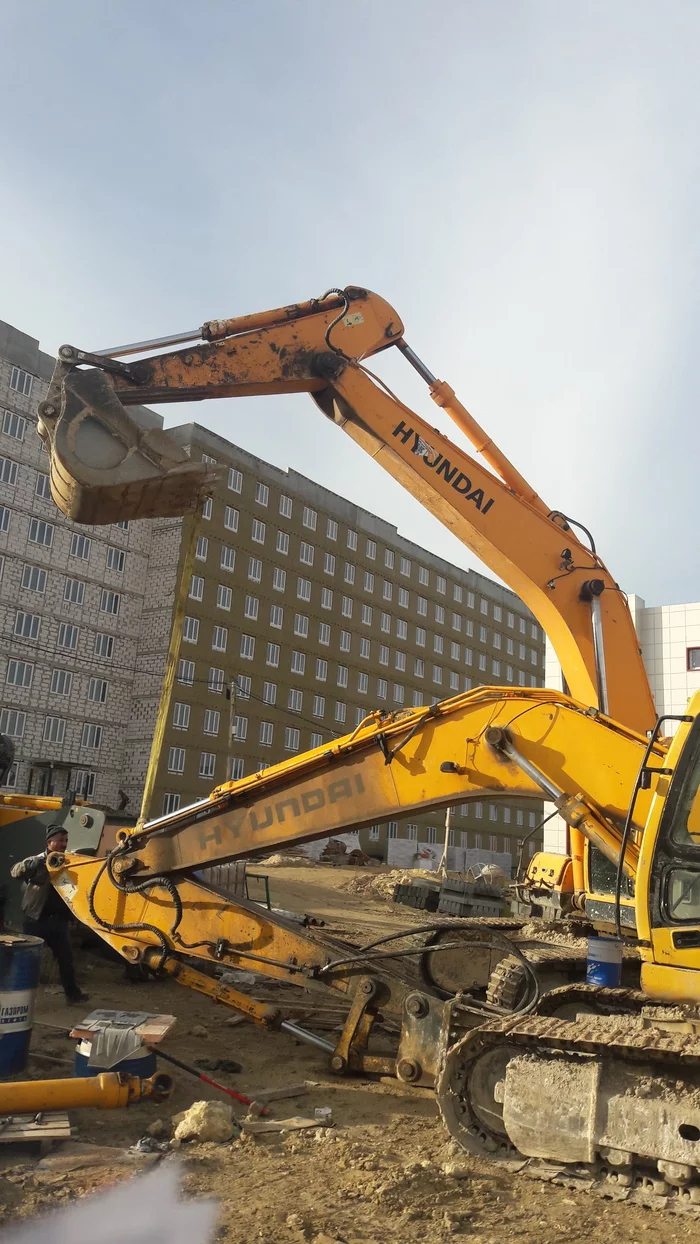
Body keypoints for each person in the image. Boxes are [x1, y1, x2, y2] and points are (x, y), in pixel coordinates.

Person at [11, 824, 89, 1005]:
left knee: (66, 960)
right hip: (35, 919)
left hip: (58, 922)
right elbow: (15, 871)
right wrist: (29, 866)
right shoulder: (37, 860)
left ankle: (73, 995)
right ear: (49, 842)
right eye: (60, 840)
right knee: (28, 960)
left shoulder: (67, 861)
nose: (64, 844)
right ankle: (19, 997)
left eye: (66, 841)